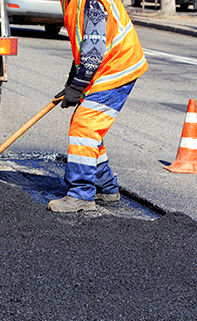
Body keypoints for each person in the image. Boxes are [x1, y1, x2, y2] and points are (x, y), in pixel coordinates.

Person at [47, 0, 148, 212]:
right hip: (109, 65)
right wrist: (73, 81)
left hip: (117, 68)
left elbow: (94, 52)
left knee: (84, 126)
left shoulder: (91, 2)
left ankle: (81, 195)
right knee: (89, 128)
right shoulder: (72, 1)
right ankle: (107, 187)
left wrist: (78, 86)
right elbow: (85, 44)